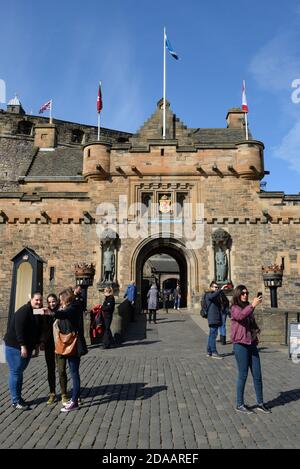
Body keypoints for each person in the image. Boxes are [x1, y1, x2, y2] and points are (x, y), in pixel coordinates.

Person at [231, 285, 271, 414]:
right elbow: (240, 316)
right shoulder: (234, 308)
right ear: (238, 294)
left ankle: (260, 403)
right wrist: (252, 305)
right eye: (243, 293)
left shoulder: (249, 307)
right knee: (243, 375)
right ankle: (239, 404)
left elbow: (250, 322)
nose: (245, 295)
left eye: (247, 293)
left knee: (257, 375)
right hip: (240, 345)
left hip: (251, 343)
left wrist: (255, 330)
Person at [4, 292, 42, 410]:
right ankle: (15, 401)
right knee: (15, 372)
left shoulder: (36, 311)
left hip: (27, 346)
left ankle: (18, 397)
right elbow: (18, 329)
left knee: (19, 372)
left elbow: (36, 330)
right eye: (36, 300)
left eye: (40, 300)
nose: (39, 302)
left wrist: (36, 347)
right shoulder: (24, 310)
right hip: (14, 346)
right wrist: (23, 346)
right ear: (31, 299)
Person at [54, 288, 88, 412]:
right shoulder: (73, 306)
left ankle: (74, 401)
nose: (60, 302)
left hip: (74, 344)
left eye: (61, 300)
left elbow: (64, 314)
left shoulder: (73, 307)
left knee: (74, 373)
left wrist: (51, 311)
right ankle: (76, 397)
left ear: (65, 300)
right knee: (74, 372)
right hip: (71, 342)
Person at [40, 293, 62, 405]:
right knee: (51, 369)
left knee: (61, 370)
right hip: (49, 345)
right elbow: (42, 329)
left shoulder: (61, 311)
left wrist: (53, 313)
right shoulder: (44, 313)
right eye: (49, 302)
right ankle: (52, 393)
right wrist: (41, 342)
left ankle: (64, 393)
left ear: (57, 301)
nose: (51, 304)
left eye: (53, 301)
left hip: (60, 344)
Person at [205, 281, 227, 359]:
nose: (216, 288)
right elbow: (212, 296)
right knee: (213, 336)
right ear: (211, 287)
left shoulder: (215, 295)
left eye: (217, 287)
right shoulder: (208, 295)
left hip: (216, 318)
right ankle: (214, 352)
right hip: (213, 318)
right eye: (215, 287)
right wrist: (220, 290)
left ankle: (209, 351)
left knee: (212, 335)